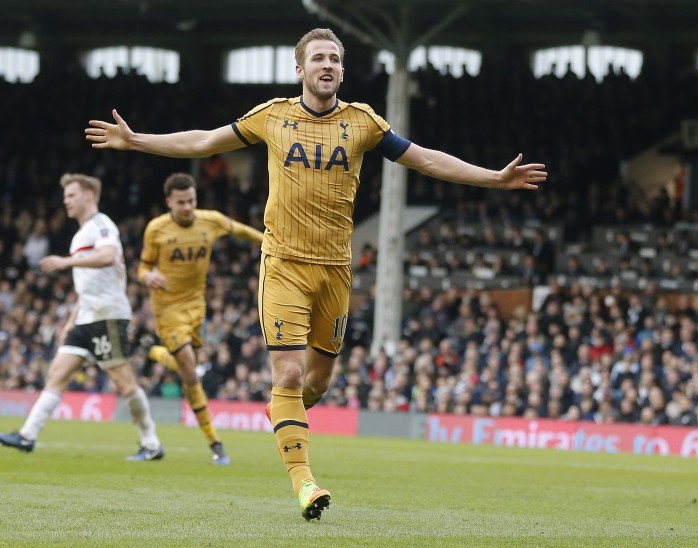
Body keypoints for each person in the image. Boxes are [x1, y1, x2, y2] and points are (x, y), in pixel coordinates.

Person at [85, 27, 546, 520]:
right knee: (287, 372)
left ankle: (282, 411)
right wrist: (136, 141)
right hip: (283, 265)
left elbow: (426, 159)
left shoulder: (363, 123)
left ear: (342, 71)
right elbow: (204, 142)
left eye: (335, 59)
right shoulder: (272, 116)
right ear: (299, 69)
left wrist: (493, 177)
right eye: (318, 59)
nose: (327, 66)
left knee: (317, 383)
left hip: (336, 272)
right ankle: (305, 484)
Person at [0, 174, 164, 460]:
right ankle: (27, 435)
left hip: (108, 316)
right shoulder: (80, 234)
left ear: (89, 194)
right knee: (57, 374)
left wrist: (66, 261)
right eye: (65, 196)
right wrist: (70, 320)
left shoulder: (102, 225)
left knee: (124, 382)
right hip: (86, 317)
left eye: (71, 195)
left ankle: (151, 444)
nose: (66, 200)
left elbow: (107, 256)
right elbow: (85, 284)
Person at [138, 172, 263, 465]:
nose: (187, 207)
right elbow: (142, 268)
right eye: (181, 202)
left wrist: (268, 242)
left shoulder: (210, 220)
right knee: (191, 374)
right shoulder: (156, 229)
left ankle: (154, 353)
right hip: (167, 309)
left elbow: (240, 230)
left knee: (187, 369)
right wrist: (149, 276)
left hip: (197, 307)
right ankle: (215, 443)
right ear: (169, 201)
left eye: (191, 200)